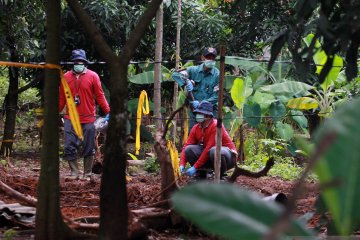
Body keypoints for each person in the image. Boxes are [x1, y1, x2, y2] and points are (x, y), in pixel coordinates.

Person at [59, 49, 110, 180]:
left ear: (85, 63)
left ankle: (87, 173)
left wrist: (109, 111)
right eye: (76, 62)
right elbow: (61, 98)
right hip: (71, 117)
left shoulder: (93, 76)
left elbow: (99, 95)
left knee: (89, 145)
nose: (78, 64)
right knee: (69, 145)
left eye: (81, 62)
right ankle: (74, 172)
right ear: (73, 63)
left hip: (88, 117)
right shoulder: (65, 77)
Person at [179, 101, 237, 180]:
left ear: (208, 116)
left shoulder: (216, 126)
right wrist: (182, 164)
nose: (198, 115)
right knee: (189, 149)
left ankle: (221, 176)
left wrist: (195, 167)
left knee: (214, 150)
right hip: (211, 156)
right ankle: (201, 174)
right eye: (197, 113)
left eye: (200, 113)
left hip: (228, 156)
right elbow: (186, 146)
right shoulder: (196, 128)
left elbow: (208, 149)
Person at [172, 47, 219, 129]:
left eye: (213, 58)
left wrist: (201, 104)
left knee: (210, 138)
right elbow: (175, 74)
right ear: (202, 58)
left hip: (210, 113)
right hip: (194, 113)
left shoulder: (217, 74)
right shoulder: (193, 70)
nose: (210, 60)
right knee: (194, 136)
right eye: (208, 57)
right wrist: (187, 82)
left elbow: (217, 96)